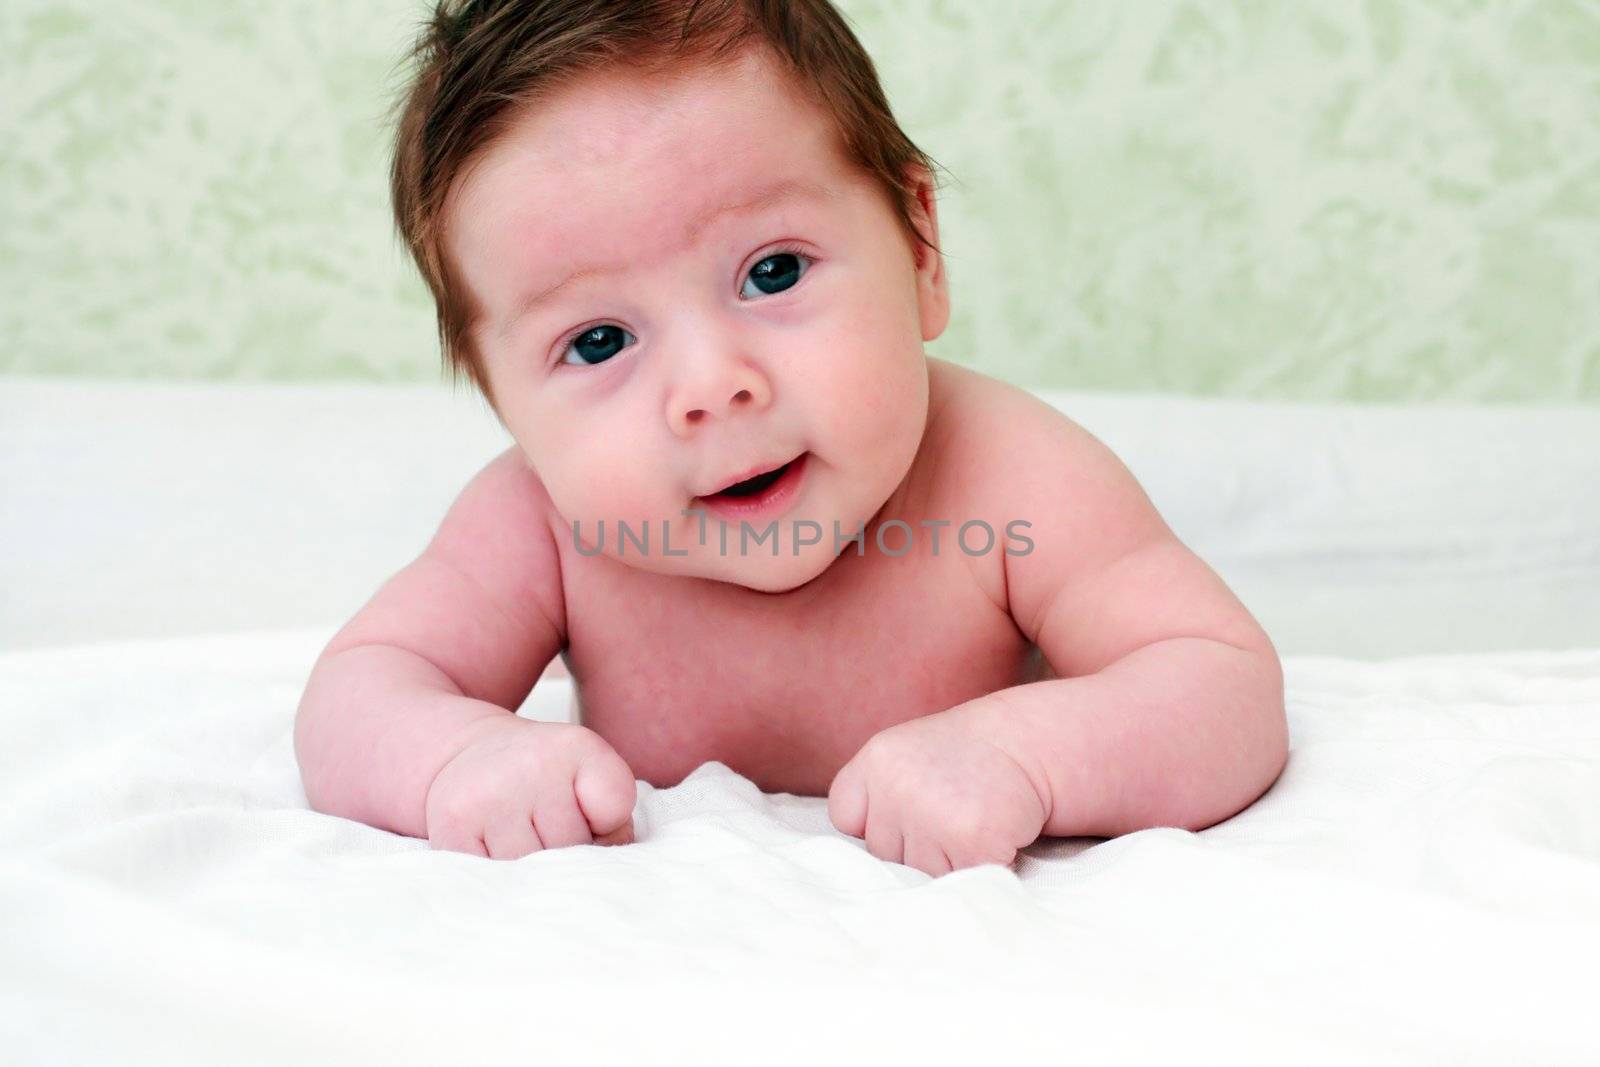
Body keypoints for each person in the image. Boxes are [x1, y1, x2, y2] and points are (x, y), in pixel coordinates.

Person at [294, 0, 1288, 877]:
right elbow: (359, 690)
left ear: (919, 247)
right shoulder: (539, 527)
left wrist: (1022, 751)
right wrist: (455, 758)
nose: (712, 387)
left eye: (772, 272)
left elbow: (1219, 680)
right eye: (598, 340)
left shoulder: (1011, 478)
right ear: (505, 402)